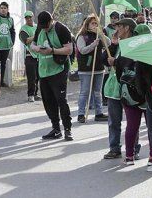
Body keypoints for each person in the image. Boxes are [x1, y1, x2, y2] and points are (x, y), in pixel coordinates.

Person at [31, 11, 74, 141]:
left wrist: (53, 50)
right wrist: (36, 48)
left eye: (46, 25)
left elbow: (69, 49)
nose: (44, 28)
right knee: (48, 102)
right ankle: (56, 129)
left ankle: (67, 129)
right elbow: (32, 44)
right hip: (43, 71)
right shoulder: (40, 28)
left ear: (51, 20)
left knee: (61, 100)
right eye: (42, 25)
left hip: (59, 70)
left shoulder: (61, 29)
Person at [103, 18, 141, 160]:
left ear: (126, 28)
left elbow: (130, 62)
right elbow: (104, 59)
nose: (115, 30)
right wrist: (113, 45)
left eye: (118, 27)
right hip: (114, 88)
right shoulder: (117, 43)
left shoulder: (134, 44)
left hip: (130, 89)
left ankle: (134, 149)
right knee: (113, 121)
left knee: (132, 122)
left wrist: (116, 62)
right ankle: (114, 148)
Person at [113, 22, 149, 165]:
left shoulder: (126, 49)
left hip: (129, 94)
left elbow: (118, 73)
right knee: (151, 127)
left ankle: (129, 157)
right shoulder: (151, 52)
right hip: (148, 95)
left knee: (131, 126)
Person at [75, 14, 110, 123]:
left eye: (97, 23)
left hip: (98, 68)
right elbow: (82, 50)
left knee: (97, 92)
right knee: (84, 92)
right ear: (87, 24)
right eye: (93, 23)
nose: (95, 25)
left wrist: (101, 35)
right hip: (86, 69)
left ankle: (99, 113)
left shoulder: (99, 35)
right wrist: (93, 45)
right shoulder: (82, 36)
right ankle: (81, 113)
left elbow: (108, 44)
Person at [19, 11, 39, 102]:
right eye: (27, 18)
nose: (29, 19)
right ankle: (30, 94)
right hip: (29, 55)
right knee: (31, 77)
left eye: (30, 17)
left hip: (39, 55)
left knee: (38, 76)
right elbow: (26, 40)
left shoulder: (37, 27)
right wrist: (36, 36)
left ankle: (35, 94)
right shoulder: (23, 29)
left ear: (33, 17)